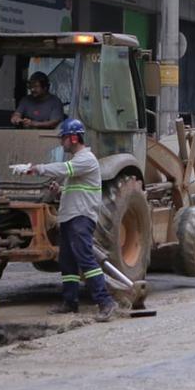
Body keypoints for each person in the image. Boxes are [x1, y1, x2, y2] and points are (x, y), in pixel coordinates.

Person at [26, 118, 119, 322]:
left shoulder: (85, 160)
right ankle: (70, 301)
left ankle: (106, 302)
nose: (62, 142)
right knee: (67, 262)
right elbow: (76, 188)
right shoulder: (78, 164)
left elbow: (64, 169)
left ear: (75, 138)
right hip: (69, 217)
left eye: (64, 138)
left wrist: (39, 168)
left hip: (81, 217)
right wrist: (60, 190)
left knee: (85, 259)